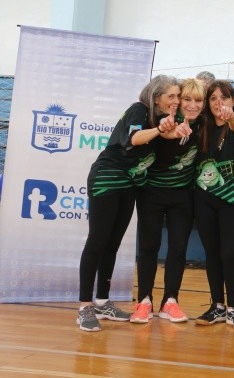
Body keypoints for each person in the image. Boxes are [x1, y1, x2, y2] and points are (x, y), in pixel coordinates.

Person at [77, 74, 181, 331]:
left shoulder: (163, 119)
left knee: (112, 243)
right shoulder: (139, 110)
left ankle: (102, 301)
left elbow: (168, 136)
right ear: (157, 97)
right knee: (97, 241)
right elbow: (134, 138)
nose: (176, 100)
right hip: (108, 179)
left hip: (131, 184)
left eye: (178, 96)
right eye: (172, 95)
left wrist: (174, 129)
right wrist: (160, 130)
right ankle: (84, 307)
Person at [132, 78, 204, 323]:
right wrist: (166, 132)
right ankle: (144, 301)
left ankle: (170, 301)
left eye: (198, 100)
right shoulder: (159, 121)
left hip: (182, 196)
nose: (192, 105)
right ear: (177, 101)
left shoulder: (203, 124)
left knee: (178, 248)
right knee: (149, 247)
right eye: (186, 99)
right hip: (151, 193)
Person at [193, 80, 234, 331]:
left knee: (229, 253)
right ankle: (217, 305)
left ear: (233, 100)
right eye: (214, 98)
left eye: (224, 97)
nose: (219, 103)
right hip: (205, 198)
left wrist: (232, 118)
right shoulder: (202, 126)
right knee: (212, 254)